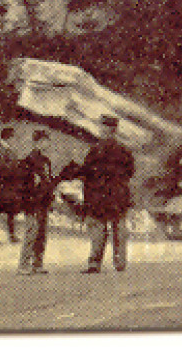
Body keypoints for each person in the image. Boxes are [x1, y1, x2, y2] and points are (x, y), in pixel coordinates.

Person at [63, 114, 135, 273]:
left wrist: (73, 170)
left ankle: (95, 263)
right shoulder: (124, 150)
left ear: (107, 130)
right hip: (118, 196)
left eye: (104, 128)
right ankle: (120, 262)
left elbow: (87, 171)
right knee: (119, 229)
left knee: (98, 229)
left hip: (99, 196)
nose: (103, 130)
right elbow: (131, 172)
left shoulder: (96, 150)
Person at [16, 129, 56, 273]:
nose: (48, 143)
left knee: (41, 233)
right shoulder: (29, 160)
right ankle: (24, 264)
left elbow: (48, 180)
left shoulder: (46, 161)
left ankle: (37, 263)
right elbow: (24, 183)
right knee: (32, 232)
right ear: (38, 142)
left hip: (44, 201)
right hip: (32, 202)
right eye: (45, 140)